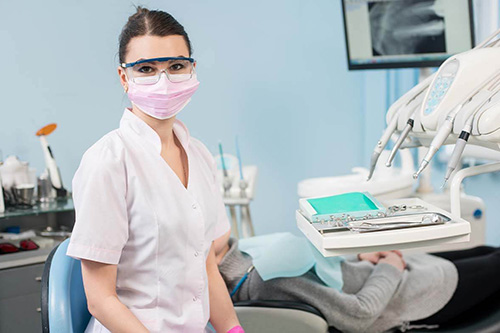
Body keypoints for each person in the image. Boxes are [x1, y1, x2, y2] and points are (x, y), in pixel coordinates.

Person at [67, 7, 243, 333]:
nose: (164, 80)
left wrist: (233, 329)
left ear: (192, 69)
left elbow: (206, 265)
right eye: (146, 68)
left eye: (176, 65)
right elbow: (100, 299)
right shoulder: (108, 161)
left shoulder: (200, 155)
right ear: (124, 77)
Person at [215, 230, 500, 333]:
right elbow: (359, 314)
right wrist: (390, 268)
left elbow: (316, 265)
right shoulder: (265, 280)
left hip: (398, 270)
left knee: (490, 252)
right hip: (413, 297)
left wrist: (359, 254)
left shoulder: (242, 251)